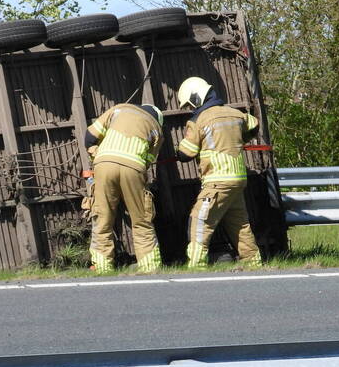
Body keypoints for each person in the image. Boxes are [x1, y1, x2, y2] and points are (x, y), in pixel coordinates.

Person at [175, 76, 262, 269]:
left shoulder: (198, 120)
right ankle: (253, 262)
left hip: (217, 180)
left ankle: (196, 265)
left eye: (190, 104)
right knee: (239, 223)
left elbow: (186, 153)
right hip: (238, 179)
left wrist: (178, 152)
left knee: (199, 220)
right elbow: (254, 124)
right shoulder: (235, 114)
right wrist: (241, 139)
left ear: (196, 98)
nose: (190, 108)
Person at [83, 102, 165, 272]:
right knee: (142, 221)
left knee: (102, 220)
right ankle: (150, 268)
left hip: (104, 164)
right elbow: (149, 161)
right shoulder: (156, 127)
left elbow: (89, 137)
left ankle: (102, 268)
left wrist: (96, 153)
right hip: (133, 168)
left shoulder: (119, 109)